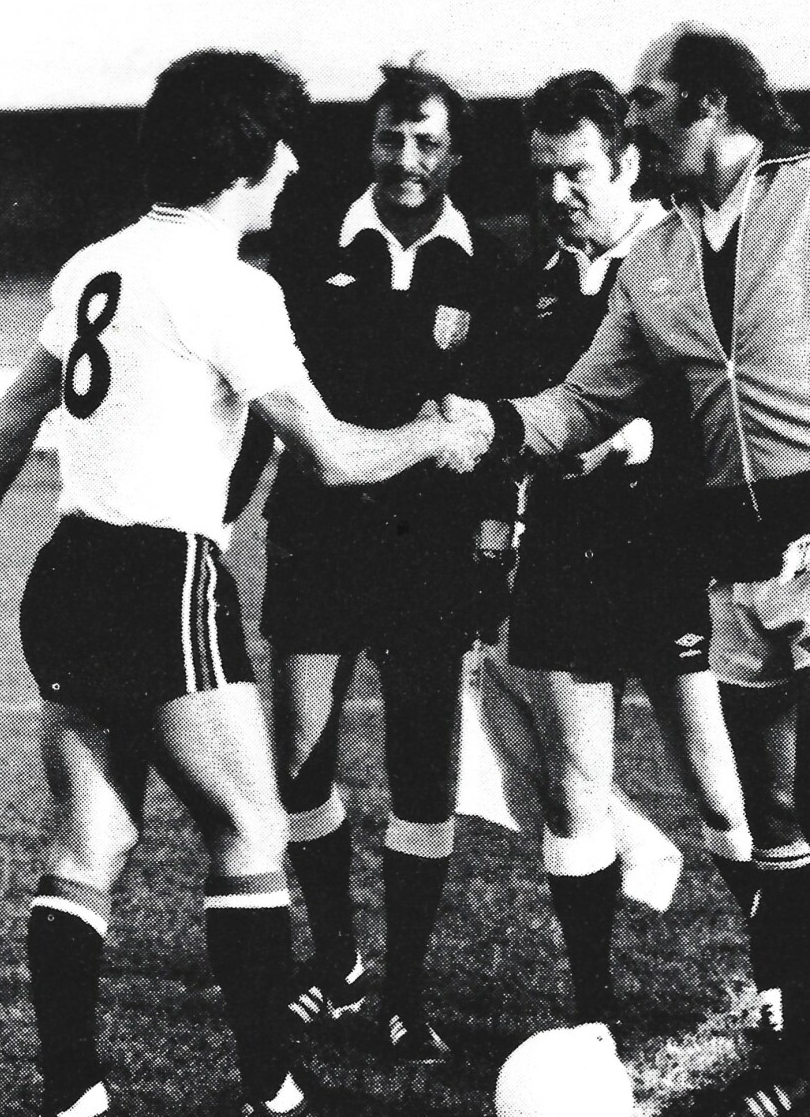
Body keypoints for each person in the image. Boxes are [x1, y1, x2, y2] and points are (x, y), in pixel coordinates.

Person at [447, 23, 810, 1117]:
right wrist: (485, 426)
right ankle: (799, 1062)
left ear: (708, 103)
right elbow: (580, 403)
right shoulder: (655, 258)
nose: (635, 120)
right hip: (729, 563)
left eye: (646, 101)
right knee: (774, 825)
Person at [0, 51, 488, 1117]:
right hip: (163, 574)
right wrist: (437, 434)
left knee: (92, 838)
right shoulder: (234, 287)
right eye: (285, 148)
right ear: (247, 157)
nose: (296, 168)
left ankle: (73, 1094)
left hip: (65, 571)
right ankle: (275, 1091)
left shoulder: (96, 264)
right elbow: (330, 455)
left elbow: (14, 415)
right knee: (252, 828)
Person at [259, 63, 518, 1060]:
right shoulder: (310, 242)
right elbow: (267, 395)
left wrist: (492, 544)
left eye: (425, 142)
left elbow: (495, 423)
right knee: (299, 757)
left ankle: (404, 992)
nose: (404, 159)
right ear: (369, 143)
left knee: (421, 767)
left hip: (431, 545)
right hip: (318, 528)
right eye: (388, 138)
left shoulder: (489, 263)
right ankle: (337, 960)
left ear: (455, 155)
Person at [501, 70, 754, 1026]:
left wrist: (646, 438)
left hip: (671, 557)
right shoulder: (535, 281)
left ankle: (780, 983)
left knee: (721, 791)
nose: (557, 192)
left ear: (628, 165)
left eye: (577, 171)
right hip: (564, 555)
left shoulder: (683, 260)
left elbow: (733, 406)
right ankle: (594, 1014)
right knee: (575, 794)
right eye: (543, 174)